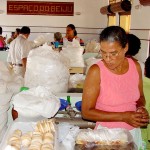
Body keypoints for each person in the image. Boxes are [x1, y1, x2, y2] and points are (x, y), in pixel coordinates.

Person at [82, 26, 149, 149]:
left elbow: (140, 97)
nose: (107, 59)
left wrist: (140, 109)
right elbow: (86, 112)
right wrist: (124, 116)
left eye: (113, 53)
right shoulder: (96, 71)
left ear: (125, 48)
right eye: (103, 52)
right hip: (107, 137)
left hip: (132, 133)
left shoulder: (136, 67)